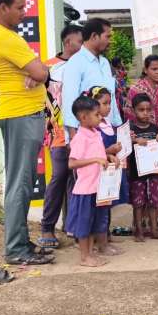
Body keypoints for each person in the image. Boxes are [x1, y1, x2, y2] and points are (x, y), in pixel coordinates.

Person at [0, 0, 52, 265]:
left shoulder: (5, 36)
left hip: (23, 114)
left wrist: (39, 72)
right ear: (3, 8)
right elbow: (41, 71)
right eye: (20, 7)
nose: (24, 12)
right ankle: (15, 249)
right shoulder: (5, 38)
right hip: (20, 115)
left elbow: (40, 71)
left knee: (23, 182)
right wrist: (39, 72)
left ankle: (21, 242)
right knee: (20, 184)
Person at [38, 24, 83, 249]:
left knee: (78, 179)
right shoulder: (48, 67)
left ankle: (72, 226)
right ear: (67, 42)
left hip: (81, 132)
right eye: (79, 41)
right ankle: (47, 227)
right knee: (59, 177)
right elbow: (39, 96)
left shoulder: (84, 65)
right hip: (57, 133)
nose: (82, 45)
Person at [124, 55, 158, 234]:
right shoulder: (135, 90)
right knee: (140, 188)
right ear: (145, 69)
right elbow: (128, 118)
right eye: (153, 69)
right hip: (141, 150)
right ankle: (142, 226)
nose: (157, 72)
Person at [65, 96, 110, 267]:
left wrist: (108, 156)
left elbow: (99, 154)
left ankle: (90, 254)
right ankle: (84, 257)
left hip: (97, 188)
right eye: (96, 115)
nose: (100, 117)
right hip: (85, 189)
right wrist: (95, 160)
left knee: (92, 223)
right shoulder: (80, 138)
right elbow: (72, 163)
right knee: (84, 225)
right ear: (84, 117)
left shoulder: (95, 133)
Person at [62, 18, 122, 143]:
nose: (110, 41)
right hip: (87, 136)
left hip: (108, 131)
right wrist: (73, 136)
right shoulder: (75, 62)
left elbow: (111, 98)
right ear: (94, 36)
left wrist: (118, 126)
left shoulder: (104, 63)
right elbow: (69, 101)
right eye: (107, 37)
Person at [88, 86, 129, 245]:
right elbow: (91, 153)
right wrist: (109, 151)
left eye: (109, 103)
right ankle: (99, 239)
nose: (108, 107)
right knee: (99, 206)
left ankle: (106, 235)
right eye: (104, 103)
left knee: (108, 202)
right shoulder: (93, 127)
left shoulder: (108, 124)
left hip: (110, 171)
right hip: (98, 172)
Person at [127, 93, 158, 242]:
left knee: (154, 201)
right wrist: (134, 140)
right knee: (138, 203)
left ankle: (154, 230)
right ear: (133, 110)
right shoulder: (130, 130)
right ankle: (138, 231)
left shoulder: (154, 127)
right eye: (141, 110)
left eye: (148, 109)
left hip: (154, 172)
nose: (145, 113)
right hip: (137, 173)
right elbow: (124, 147)